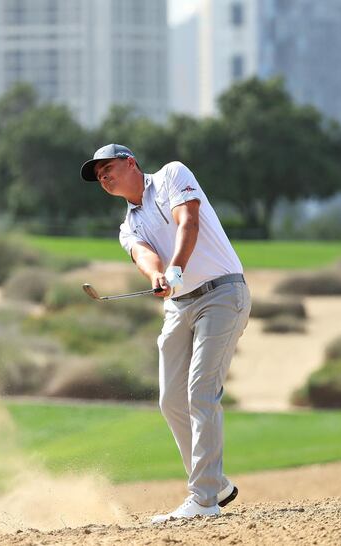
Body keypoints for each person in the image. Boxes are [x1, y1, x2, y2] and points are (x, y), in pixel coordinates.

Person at [80, 144, 251, 522]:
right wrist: (159, 275)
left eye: (108, 168)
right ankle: (216, 482)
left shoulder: (173, 174)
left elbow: (188, 220)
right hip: (179, 305)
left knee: (200, 392)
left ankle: (204, 499)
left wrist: (176, 267)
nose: (104, 178)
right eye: (99, 176)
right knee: (172, 399)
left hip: (222, 293)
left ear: (131, 163)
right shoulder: (128, 225)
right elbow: (144, 255)